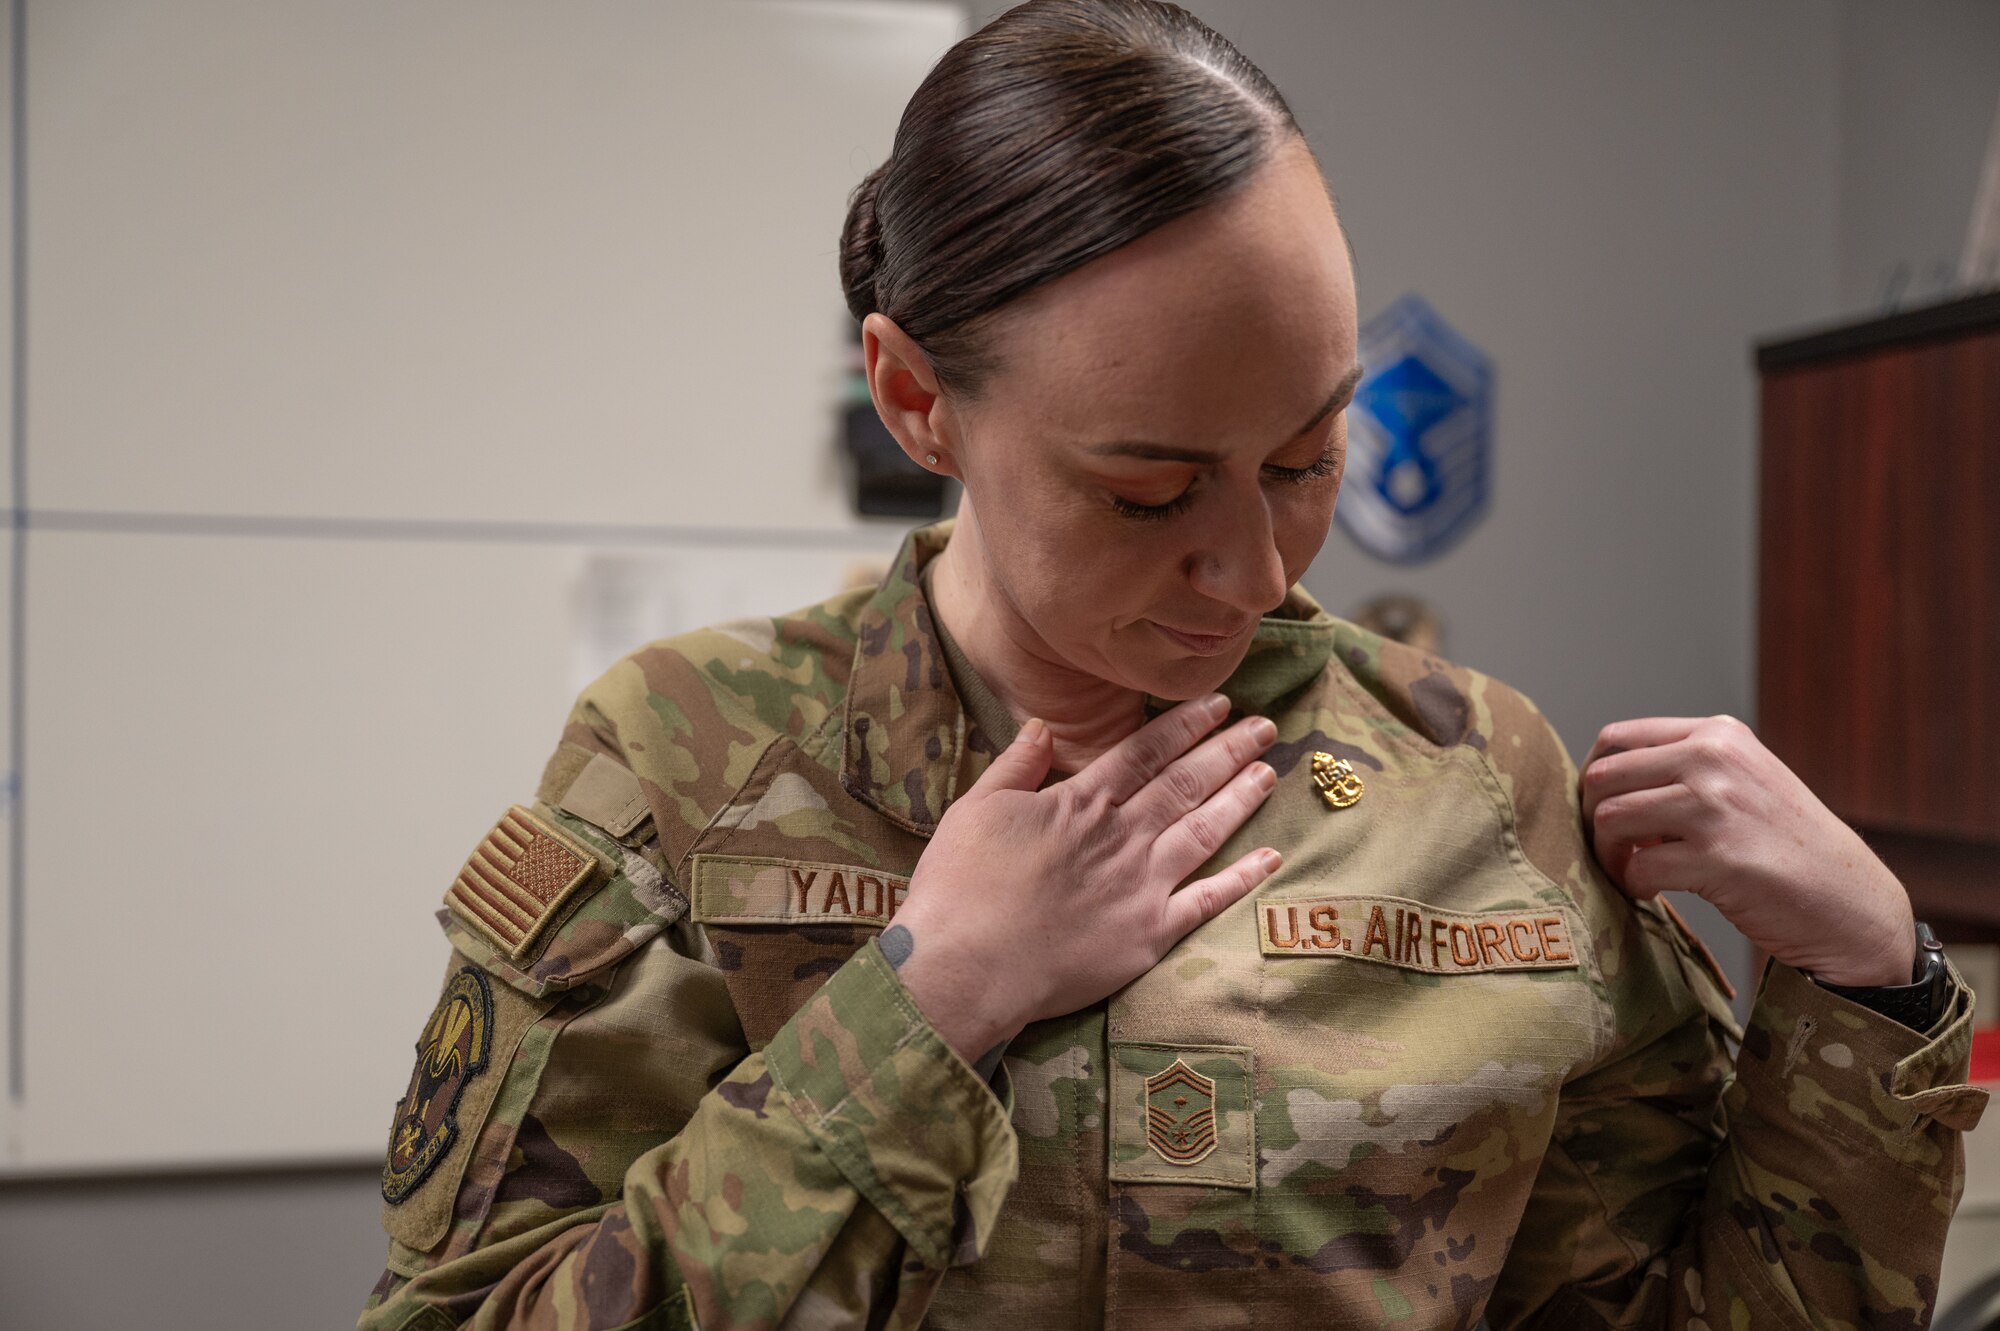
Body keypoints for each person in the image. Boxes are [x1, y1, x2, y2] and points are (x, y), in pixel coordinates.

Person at [357, 3, 1987, 1328]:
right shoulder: (691, 763)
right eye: (1146, 492)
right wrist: (925, 1008)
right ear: (919, 400)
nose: (1255, 572)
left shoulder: (1479, 778)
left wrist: (1870, 981)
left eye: (1305, 458)